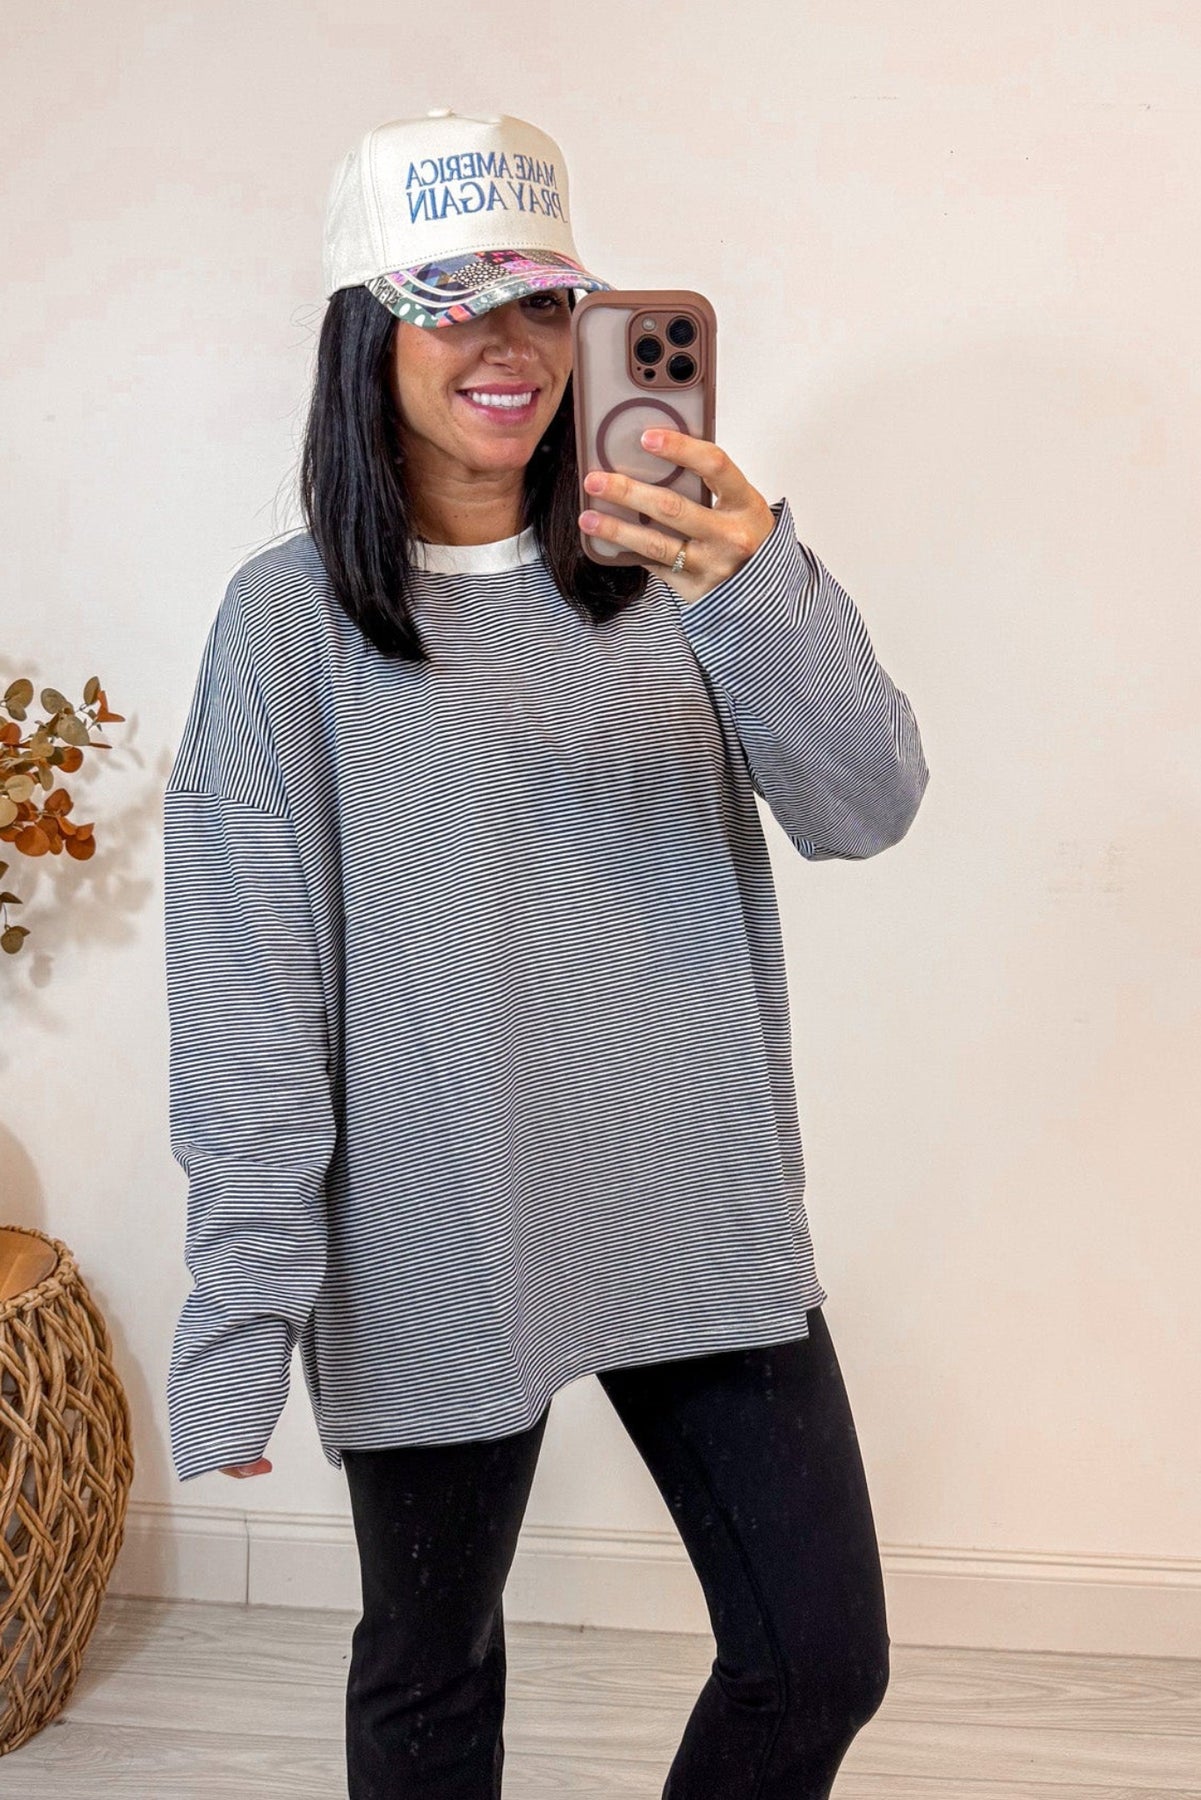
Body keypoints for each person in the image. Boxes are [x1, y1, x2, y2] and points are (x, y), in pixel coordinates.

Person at [162, 108, 930, 1797]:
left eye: (538, 304)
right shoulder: (285, 624)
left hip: (694, 1201)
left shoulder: (683, 566)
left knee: (817, 1657)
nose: (503, 349)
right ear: (366, 337)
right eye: (450, 308)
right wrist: (241, 1311)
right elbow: (245, 992)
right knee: (430, 1681)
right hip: (437, 1230)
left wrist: (756, 584)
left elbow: (866, 805)